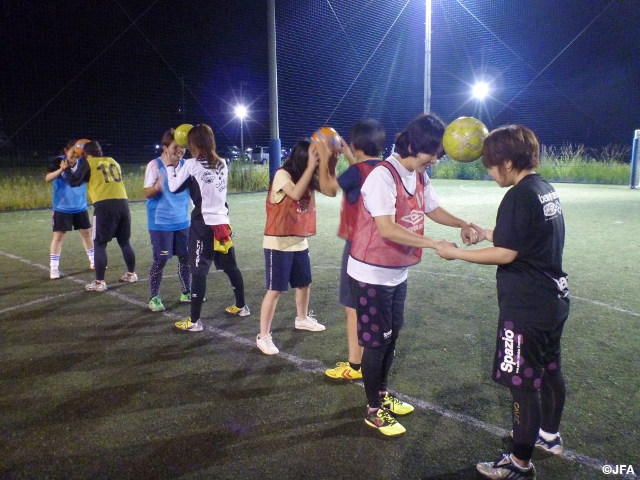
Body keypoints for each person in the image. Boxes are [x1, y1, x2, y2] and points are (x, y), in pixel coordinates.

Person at [435, 125, 569, 480]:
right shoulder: (543, 189)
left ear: (508, 163)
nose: (490, 171)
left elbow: (507, 253)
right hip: (552, 300)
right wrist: (484, 231)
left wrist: (456, 254)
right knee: (550, 369)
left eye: (491, 165)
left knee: (522, 385)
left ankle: (519, 464)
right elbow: (523, 237)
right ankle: (549, 436)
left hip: (526, 308)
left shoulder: (518, 196)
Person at [348, 113, 479, 436]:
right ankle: (373, 410)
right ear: (413, 145)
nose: (434, 160)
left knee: (391, 338)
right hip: (371, 273)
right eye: (431, 153)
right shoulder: (383, 176)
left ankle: (381, 393)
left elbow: (431, 209)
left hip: (396, 273)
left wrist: (462, 223)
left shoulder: (418, 175)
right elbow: (387, 228)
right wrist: (434, 243)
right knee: (376, 343)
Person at [318, 119, 386, 380]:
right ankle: (371, 357)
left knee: (352, 305)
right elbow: (362, 174)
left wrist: (326, 159)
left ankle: (355, 365)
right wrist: (349, 156)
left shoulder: (356, 172)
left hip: (358, 246)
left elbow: (328, 189)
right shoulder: (385, 168)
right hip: (382, 246)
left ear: (356, 144)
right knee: (376, 306)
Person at [256, 138, 337, 355]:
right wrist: (312, 168)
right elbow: (295, 193)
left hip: (299, 240)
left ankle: (301, 319)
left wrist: (332, 164)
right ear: (303, 159)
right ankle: (263, 336)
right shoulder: (283, 174)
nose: (316, 161)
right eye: (313, 158)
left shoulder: (307, 176)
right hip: (278, 242)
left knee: (304, 283)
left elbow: (331, 191)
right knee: (275, 290)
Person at [166, 123, 250, 332]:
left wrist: (170, 165)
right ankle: (242, 306)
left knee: (199, 272)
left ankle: (194, 322)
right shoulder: (222, 163)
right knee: (231, 267)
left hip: (203, 226)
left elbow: (174, 187)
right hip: (223, 224)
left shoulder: (192, 164)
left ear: (193, 143)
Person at [68, 140, 138, 291]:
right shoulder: (113, 161)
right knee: (124, 241)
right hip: (123, 203)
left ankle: (99, 282)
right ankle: (131, 274)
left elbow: (74, 181)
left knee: (99, 244)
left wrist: (67, 167)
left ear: (85, 154)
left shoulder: (88, 163)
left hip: (105, 205)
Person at [143, 129, 191, 312]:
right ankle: (154, 297)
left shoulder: (186, 165)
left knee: (186, 258)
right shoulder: (154, 165)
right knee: (161, 259)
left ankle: (186, 291)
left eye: (183, 148)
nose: (180, 151)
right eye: (175, 147)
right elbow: (146, 192)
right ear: (165, 148)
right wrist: (156, 187)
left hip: (182, 221)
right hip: (161, 222)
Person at [45, 140, 94, 279]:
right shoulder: (58, 161)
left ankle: (93, 260)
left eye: (79, 153)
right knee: (59, 236)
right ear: (66, 150)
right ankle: (54, 268)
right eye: (73, 152)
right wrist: (61, 169)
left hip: (80, 206)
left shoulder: (84, 164)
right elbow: (48, 178)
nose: (76, 155)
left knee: (86, 233)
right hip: (62, 208)